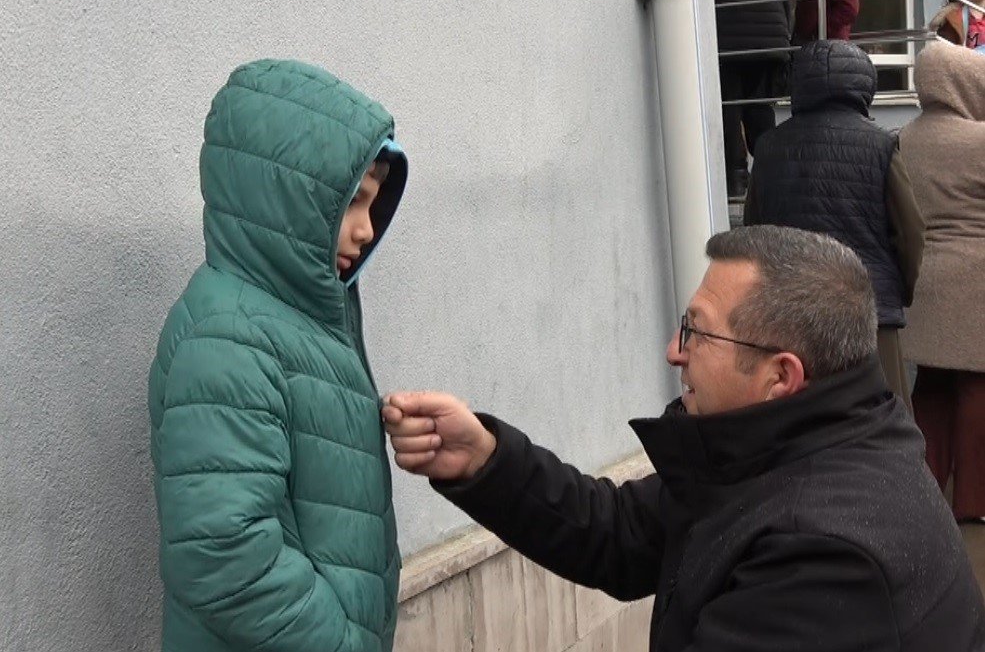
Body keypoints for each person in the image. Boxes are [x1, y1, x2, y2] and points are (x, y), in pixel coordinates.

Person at [384, 226, 985, 652]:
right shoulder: (795, 444)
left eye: (696, 333)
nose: (675, 352)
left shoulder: (824, 555)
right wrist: (485, 462)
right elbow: (620, 529)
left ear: (781, 375)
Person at [148, 59, 407, 652]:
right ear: (285, 199)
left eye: (372, 205)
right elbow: (225, 554)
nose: (367, 230)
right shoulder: (227, 338)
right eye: (352, 204)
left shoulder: (299, 321)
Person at [744, 40, 923, 406]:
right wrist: (899, 291)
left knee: (804, 422)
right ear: (864, 84)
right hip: (871, 313)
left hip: (793, 315)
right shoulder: (881, 145)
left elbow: (753, 234)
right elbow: (910, 234)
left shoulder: (768, 147)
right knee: (882, 425)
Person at [899, 41, 985, 523]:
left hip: (924, 282)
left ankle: (926, 493)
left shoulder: (902, 138)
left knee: (929, 388)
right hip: (977, 285)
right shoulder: (981, 139)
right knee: (978, 388)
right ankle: (974, 503)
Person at [705, 0, 793, 196]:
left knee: (729, 104)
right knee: (760, 107)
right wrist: (785, 29)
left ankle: (736, 177)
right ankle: (773, 175)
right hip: (769, 26)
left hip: (727, 27)